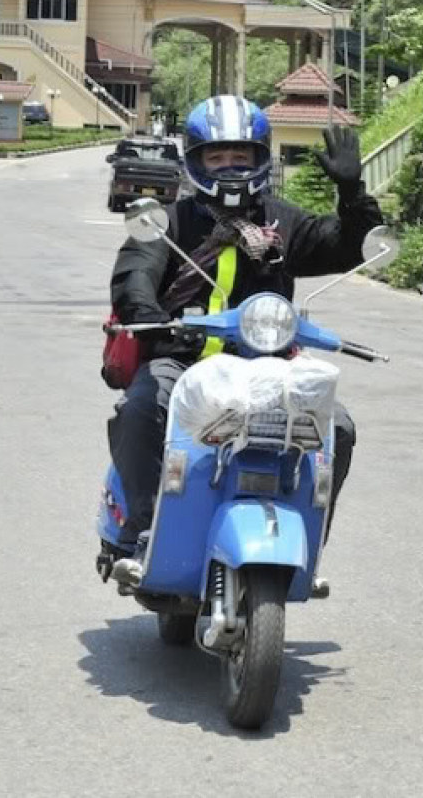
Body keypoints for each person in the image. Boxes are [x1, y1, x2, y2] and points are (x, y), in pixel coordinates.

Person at [106, 95, 383, 585]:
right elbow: (135, 277)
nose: (230, 167)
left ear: (260, 158)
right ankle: (146, 531)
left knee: (336, 424)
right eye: (217, 157)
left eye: (241, 156)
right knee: (141, 407)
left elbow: (350, 248)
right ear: (196, 160)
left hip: (268, 369)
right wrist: (153, 316)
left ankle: (310, 541)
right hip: (185, 364)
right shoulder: (168, 222)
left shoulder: (284, 221)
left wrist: (352, 192)